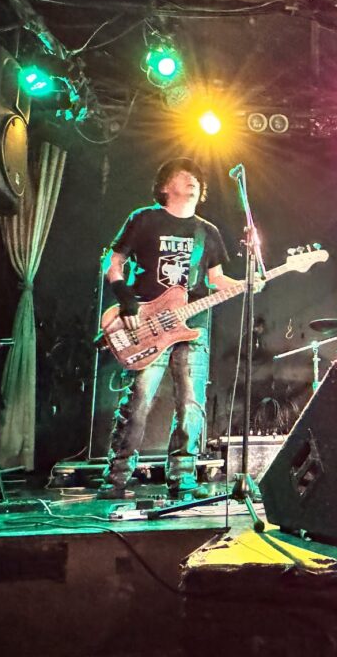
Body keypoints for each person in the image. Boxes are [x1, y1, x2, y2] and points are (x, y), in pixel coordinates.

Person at [99, 157, 253, 500]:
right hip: (147, 322)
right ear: (166, 186)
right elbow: (114, 262)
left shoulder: (207, 232)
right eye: (185, 177)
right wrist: (126, 299)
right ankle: (116, 478)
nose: (193, 181)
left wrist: (248, 283)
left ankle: (182, 477)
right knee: (138, 400)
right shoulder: (143, 219)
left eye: (197, 178)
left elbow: (216, 280)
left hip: (192, 325)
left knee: (191, 403)